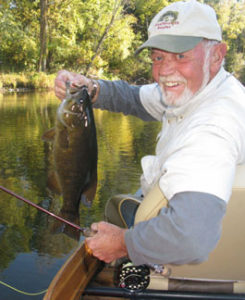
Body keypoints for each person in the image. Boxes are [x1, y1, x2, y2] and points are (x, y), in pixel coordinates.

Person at [54, 0, 245, 266]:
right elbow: (135, 98)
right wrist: (92, 89)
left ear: (216, 55)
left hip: (184, 257)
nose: (165, 71)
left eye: (181, 55)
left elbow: (191, 238)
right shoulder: (197, 89)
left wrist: (123, 243)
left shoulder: (213, 127)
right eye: (158, 57)